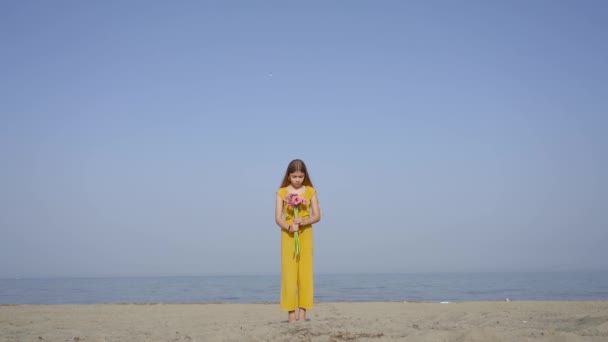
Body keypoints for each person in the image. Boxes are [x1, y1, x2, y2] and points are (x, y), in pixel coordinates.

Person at [275, 159, 321, 322]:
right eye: (294, 176)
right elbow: (277, 218)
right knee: (289, 274)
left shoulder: (310, 191)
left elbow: (317, 215)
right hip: (288, 236)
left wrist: (304, 221)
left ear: (305, 175)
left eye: (301, 176)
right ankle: (291, 315)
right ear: (288, 176)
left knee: (305, 274)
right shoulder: (281, 192)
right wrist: (288, 226)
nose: (297, 180)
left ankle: (303, 313)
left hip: (305, 234)